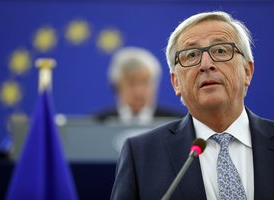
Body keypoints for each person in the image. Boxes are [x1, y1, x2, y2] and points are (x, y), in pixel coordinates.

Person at [110, 11, 274, 200]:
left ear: (247, 71)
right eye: (191, 54)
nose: (206, 64)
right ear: (176, 83)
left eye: (220, 50)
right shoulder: (141, 155)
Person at [95, 46, 184, 125]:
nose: (139, 91)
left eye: (145, 82)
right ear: (117, 86)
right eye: (131, 83)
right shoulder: (97, 124)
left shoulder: (177, 123)